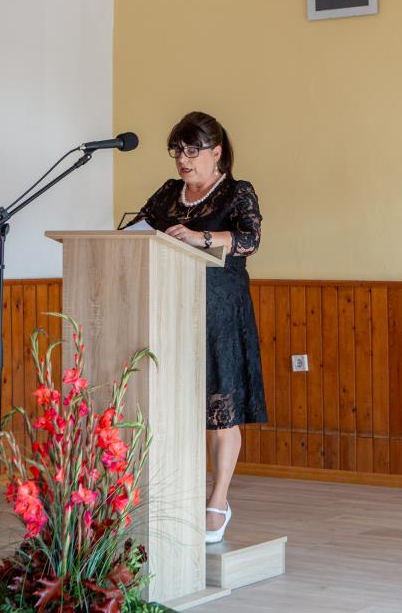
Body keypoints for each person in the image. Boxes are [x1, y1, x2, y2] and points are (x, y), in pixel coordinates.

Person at [124, 111, 266, 544]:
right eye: (176, 151)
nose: (182, 160)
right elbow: (135, 229)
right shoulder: (169, 192)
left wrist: (199, 237)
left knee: (220, 409)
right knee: (174, 404)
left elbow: (250, 240)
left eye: (191, 150)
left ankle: (217, 501)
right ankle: (172, 495)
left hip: (220, 311)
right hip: (168, 308)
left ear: (216, 151)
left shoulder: (238, 191)